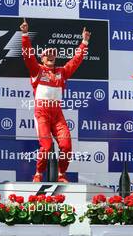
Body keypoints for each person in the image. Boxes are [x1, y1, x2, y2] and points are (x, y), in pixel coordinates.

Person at [20, 20, 91, 183]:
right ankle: (38, 174)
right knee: (46, 146)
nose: (51, 55)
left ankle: (61, 175)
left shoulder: (62, 72)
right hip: (42, 113)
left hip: (57, 114)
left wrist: (84, 42)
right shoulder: (37, 70)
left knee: (66, 145)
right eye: (47, 54)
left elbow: (75, 61)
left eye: (53, 53)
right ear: (42, 58)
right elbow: (28, 55)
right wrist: (25, 35)